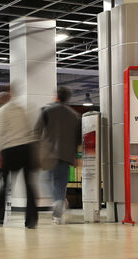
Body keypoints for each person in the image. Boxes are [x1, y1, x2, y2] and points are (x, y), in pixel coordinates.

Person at [0, 89, 38, 229]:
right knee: (29, 185)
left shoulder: (2, 111)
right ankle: (31, 220)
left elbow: (0, 133)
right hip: (26, 149)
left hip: (9, 149)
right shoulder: (22, 109)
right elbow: (30, 130)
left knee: (3, 184)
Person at [35, 86, 81, 224]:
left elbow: (36, 131)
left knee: (47, 181)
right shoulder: (75, 116)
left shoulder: (46, 111)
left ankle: (56, 202)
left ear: (56, 96)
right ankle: (58, 211)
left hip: (49, 154)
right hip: (67, 155)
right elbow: (77, 139)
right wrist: (76, 157)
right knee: (61, 184)